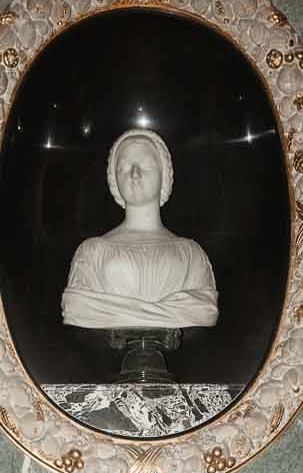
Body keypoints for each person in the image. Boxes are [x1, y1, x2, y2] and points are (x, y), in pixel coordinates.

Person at [61, 128, 219, 332]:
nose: (135, 174)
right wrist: (171, 310)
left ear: (164, 174)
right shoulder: (91, 253)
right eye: (124, 167)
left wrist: (111, 311)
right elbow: (76, 308)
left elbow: (205, 310)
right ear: (113, 179)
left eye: (145, 164)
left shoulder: (192, 254)